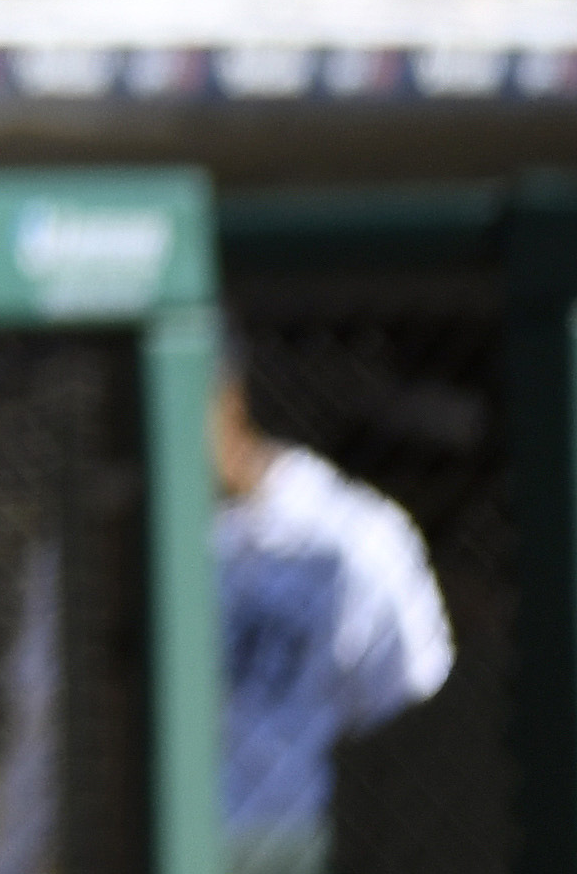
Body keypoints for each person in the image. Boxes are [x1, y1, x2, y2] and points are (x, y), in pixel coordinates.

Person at [213, 354, 451, 874]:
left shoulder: (352, 534)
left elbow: (404, 698)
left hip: (272, 844)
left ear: (227, 400)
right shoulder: (97, 540)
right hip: (123, 835)